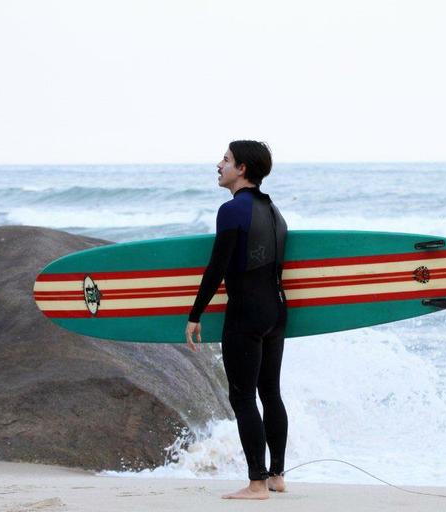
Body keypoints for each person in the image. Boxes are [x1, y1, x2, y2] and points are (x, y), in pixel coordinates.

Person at [185, 141, 288, 500]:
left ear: (242, 168)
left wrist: (195, 314)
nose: (219, 165)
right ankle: (276, 475)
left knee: (243, 398)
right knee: (270, 392)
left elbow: (218, 268)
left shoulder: (232, 211)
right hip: (276, 311)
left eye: (225, 160)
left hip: (246, 314)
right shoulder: (274, 210)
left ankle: (256, 484)